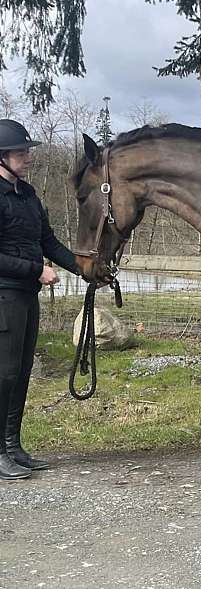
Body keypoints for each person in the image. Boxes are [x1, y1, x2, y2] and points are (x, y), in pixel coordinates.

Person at [0, 119, 80, 480]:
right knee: (5, 374)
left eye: (27, 151)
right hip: (4, 296)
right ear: (2, 157)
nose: (28, 157)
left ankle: (13, 446)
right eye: (21, 152)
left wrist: (84, 267)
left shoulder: (28, 194)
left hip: (25, 297)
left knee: (21, 373)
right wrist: (35, 271)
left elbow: (48, 241)